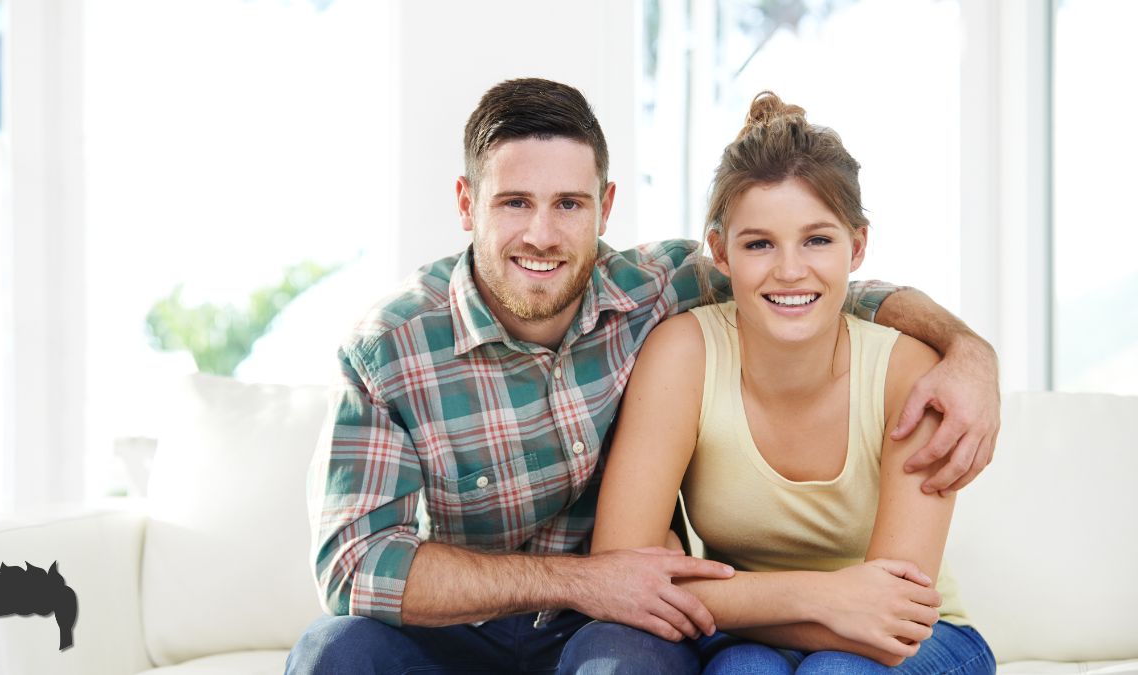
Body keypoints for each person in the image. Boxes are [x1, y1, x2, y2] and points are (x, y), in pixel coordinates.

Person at [285, 78, 1000, 675]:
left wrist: (968, 349)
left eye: (569, 203)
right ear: (468, 204)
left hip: (611, 625)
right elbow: (356, 566)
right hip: (477, 622)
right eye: (514, 203)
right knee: (333, 651)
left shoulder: (654, 288)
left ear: (605, 207)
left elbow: (804, 286)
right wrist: (583, 579)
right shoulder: (388, 349)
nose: (542, 233)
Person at [585, 92, 996, 674]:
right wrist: (822, 596)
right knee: (744, 671)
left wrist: (726, 600)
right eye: (759, 244)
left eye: (817, 239)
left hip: (925, 641)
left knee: (835, 672)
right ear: (721, 253)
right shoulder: (685, 354)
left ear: (857, 247)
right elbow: (622, 572)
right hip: (751, 636)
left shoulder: (909, 373)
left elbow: (890, 624)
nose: (789, 270)